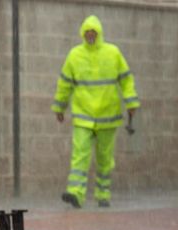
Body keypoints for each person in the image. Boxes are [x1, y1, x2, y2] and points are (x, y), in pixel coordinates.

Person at [52, 15, 140, 208]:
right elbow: (64, 83)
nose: (90, 36)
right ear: (83, 34)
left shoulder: (113, 53)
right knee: (80, 155)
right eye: (87, 33)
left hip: (107, 116)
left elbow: (126, 79)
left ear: (99, 33)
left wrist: (131, 102)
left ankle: (103, 194)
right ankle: (75, 193)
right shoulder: (75, 55)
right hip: (84, 115)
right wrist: (59, 106)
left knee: (104, 159)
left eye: (93, 33)